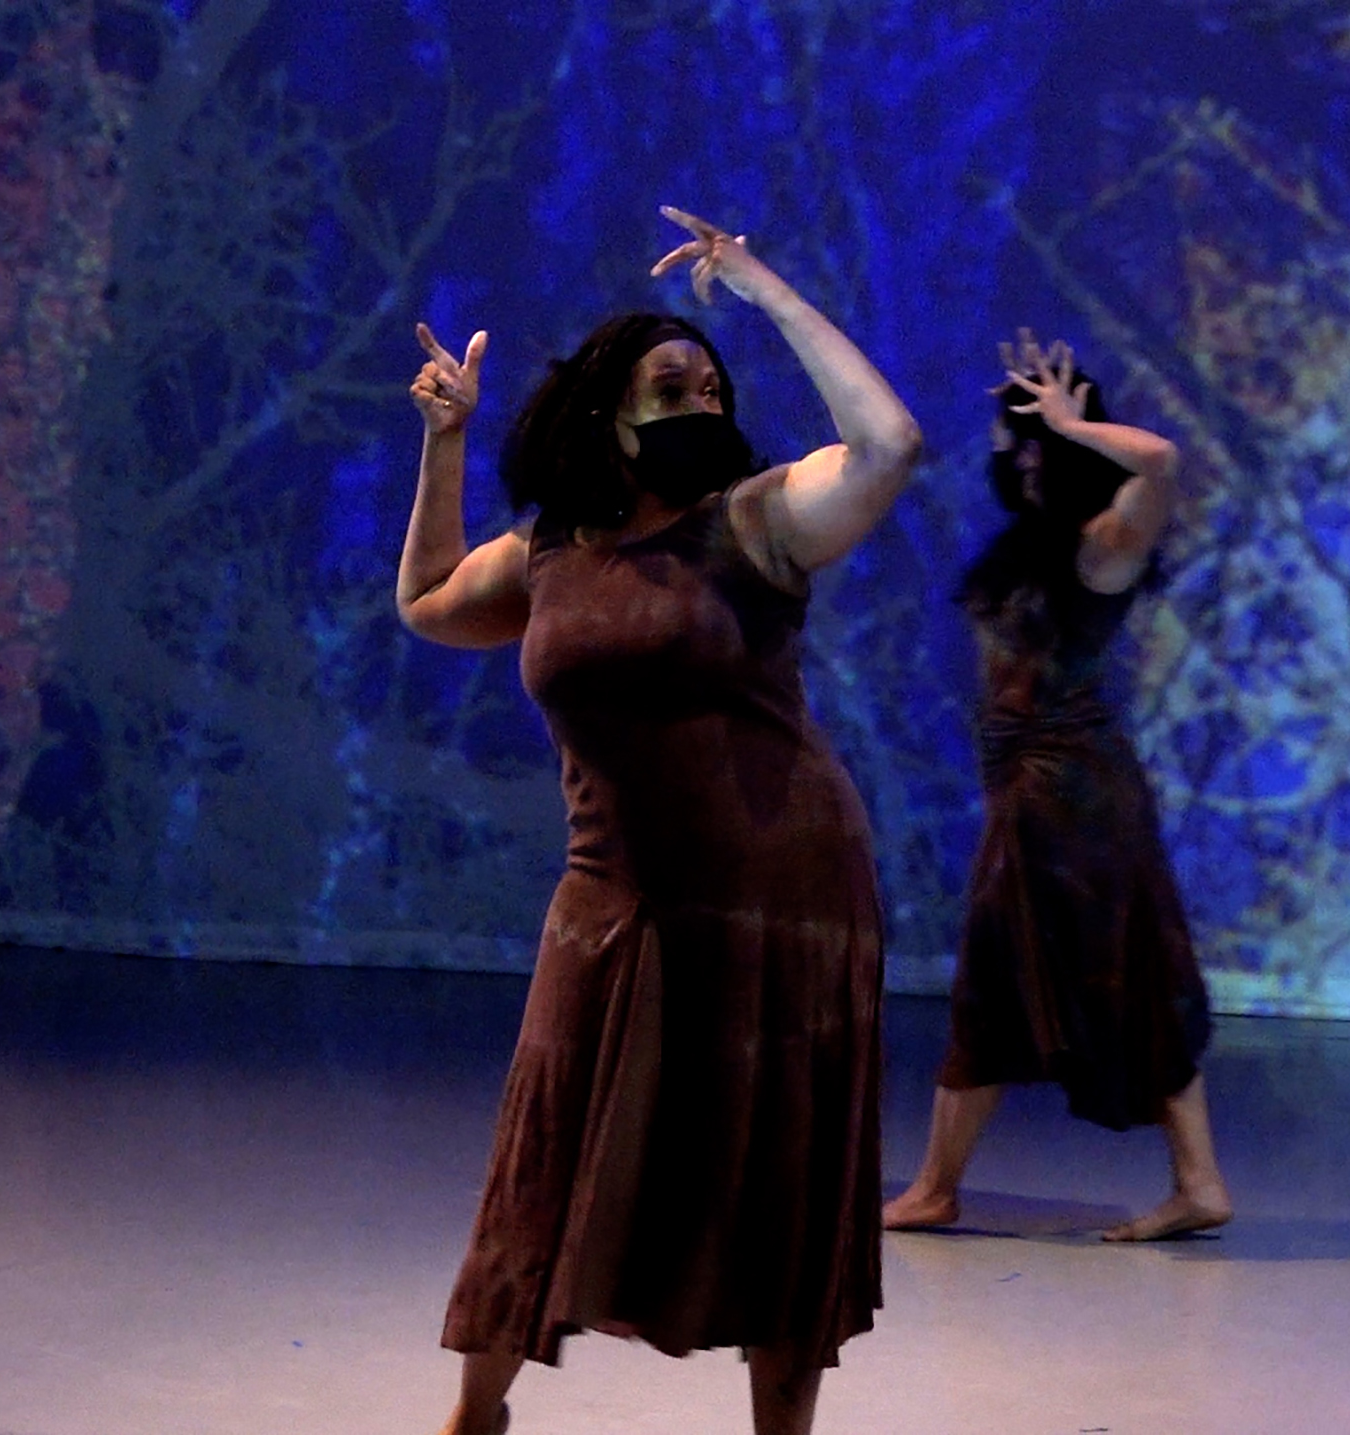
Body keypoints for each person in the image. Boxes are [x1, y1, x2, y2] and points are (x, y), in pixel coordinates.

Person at [397, 206, 922, 1435]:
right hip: (614, 896)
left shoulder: (758, 519)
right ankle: (475, 1416)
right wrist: (445, 441)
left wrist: (764, 290)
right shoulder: (552, 551)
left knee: (771, 1176)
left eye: (710, 386)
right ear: (607, 414)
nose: (698, 401)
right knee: (548, 1157)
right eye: (668, 387)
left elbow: (890, 444)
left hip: (780, 898)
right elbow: (426, 600)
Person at [881, 330, 1231, 1243]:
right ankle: (1198, 1181)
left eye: (1033, 441)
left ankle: (936, 1187)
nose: (1016, 454)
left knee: (1013, 978)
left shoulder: (1101, 549)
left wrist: (1074, 424)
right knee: (1114, 973)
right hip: (1040, 793)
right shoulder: (1028, 552)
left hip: (1071, 800)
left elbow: (1162, 463)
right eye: (1016, 437)